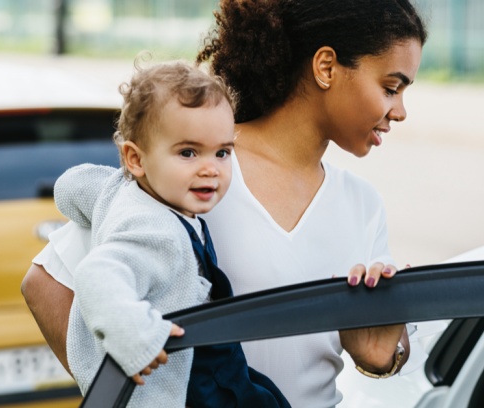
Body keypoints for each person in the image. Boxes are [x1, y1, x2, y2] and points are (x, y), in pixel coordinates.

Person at [21, 0, 428, 406]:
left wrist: (381, 357)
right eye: (391, 88)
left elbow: (382, 352)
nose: (402, 112)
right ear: (325, 67)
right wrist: (127, 395)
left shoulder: (363, 204)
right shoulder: (196, 171)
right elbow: (46, 284)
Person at [54, 60, 288, 407]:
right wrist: (132, 334)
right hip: (180, 389)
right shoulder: (157, 230)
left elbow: (70, 186)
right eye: (188, 152)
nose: (210, 168)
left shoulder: (116, 189)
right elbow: (96, 274)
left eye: (222, 152)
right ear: (135, 159)